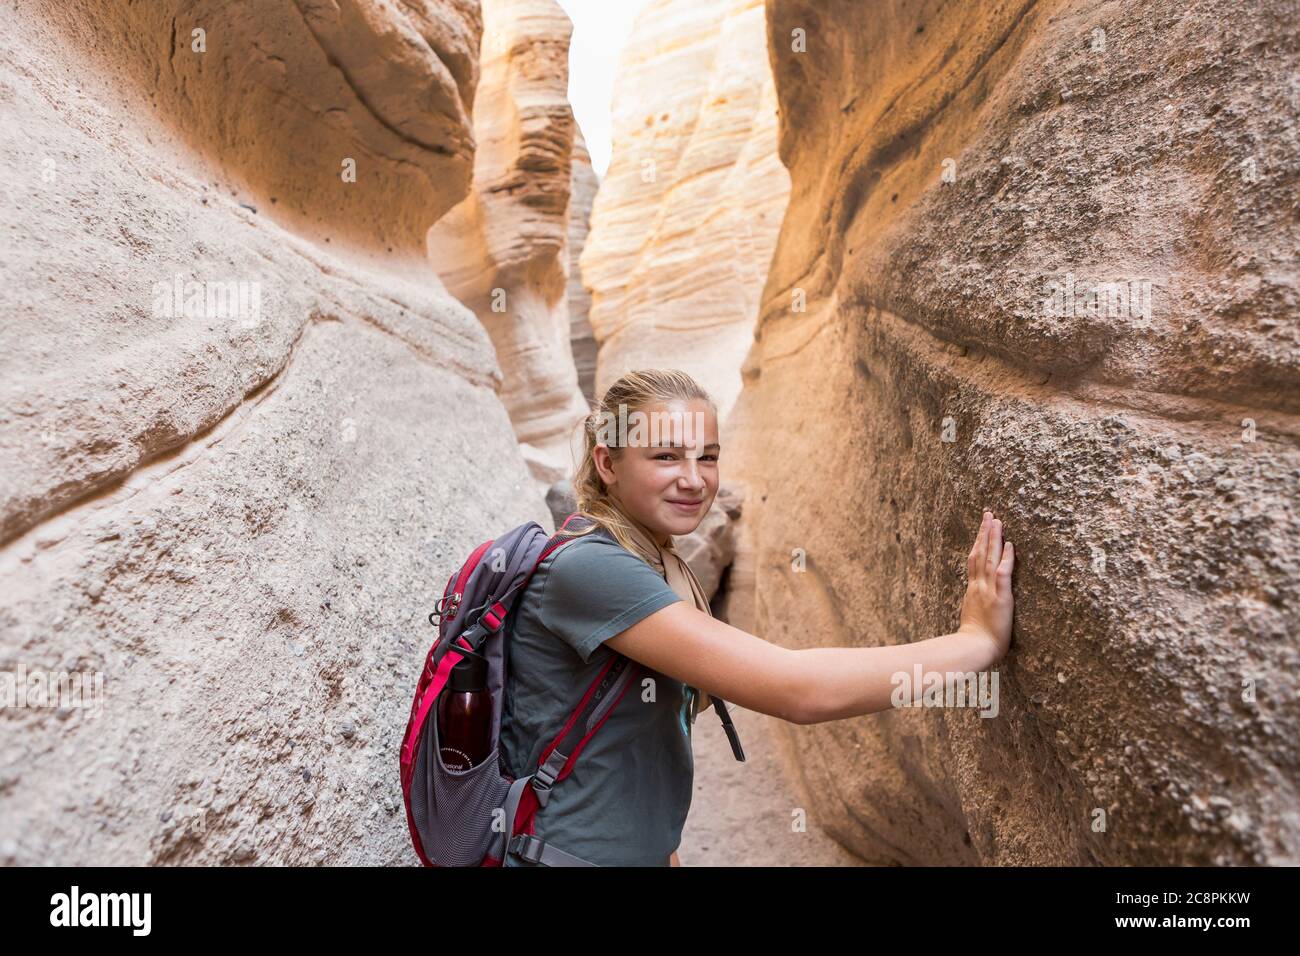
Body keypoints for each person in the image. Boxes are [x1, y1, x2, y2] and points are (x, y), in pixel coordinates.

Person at [499, 369, 1015, 866]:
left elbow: (627, 744)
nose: (693, 479)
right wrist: (975, 642)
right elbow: (800, 690)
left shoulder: (650, 558)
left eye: (708, 456)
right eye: (665, 456)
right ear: (608, 464)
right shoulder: (592, 568)